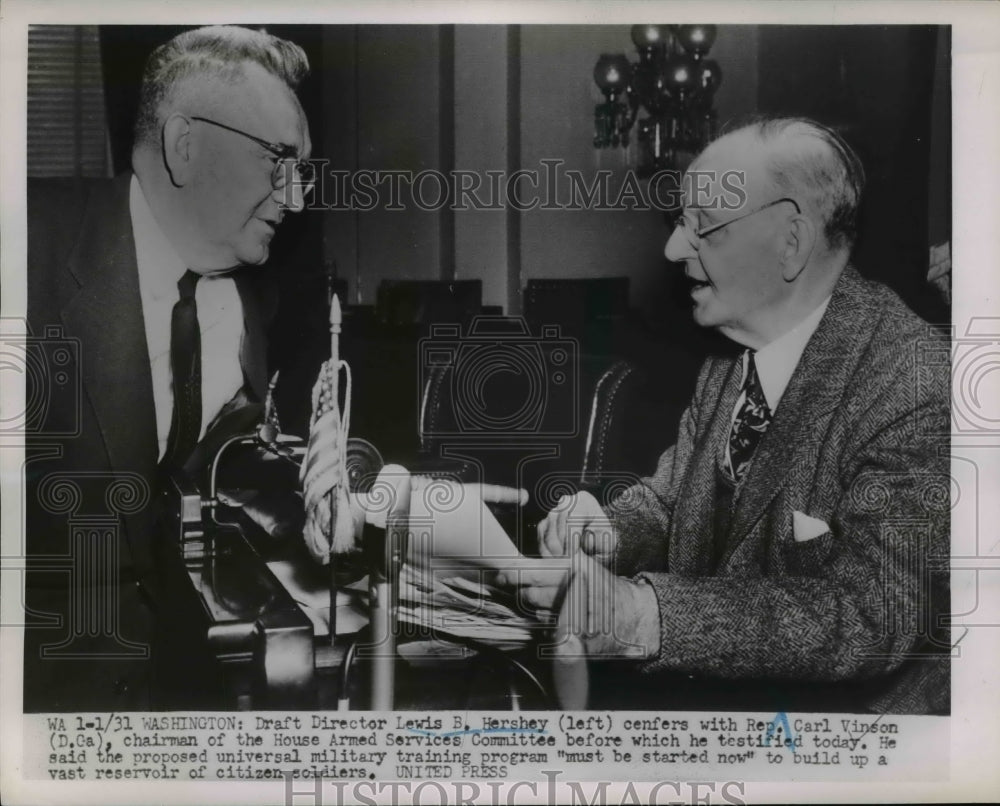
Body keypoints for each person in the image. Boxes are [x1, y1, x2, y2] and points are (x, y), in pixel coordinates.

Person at [503, 117, 950, 715]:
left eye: (703, 228)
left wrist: (641, 615)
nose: (672, 249)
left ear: (790, 242)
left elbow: (872, 614)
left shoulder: (914, 379)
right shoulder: (728, 360)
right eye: (678, 224)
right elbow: (670, 503)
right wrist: (605, 532)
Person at [24, 25, 313, 711]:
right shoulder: (23, 253)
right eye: (279, 162)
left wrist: (326, 490)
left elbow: (221, 468)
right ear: (186, 146)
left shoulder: (241, 304)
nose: (295, 198)